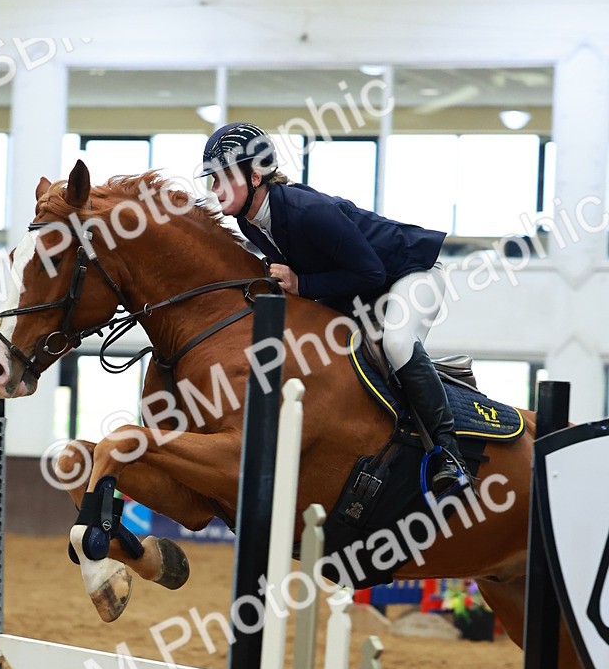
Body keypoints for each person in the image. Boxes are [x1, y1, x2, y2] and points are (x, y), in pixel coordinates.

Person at [199, 121, 471, 497]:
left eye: (224, 177)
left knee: (395, 343)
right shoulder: (250, 223)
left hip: (411, 275)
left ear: (256, 175)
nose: (215, 190)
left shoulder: (306, 210)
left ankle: (449, 456)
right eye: (212, 180)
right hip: (360, 290)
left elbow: (371, 271)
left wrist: (302, 285)